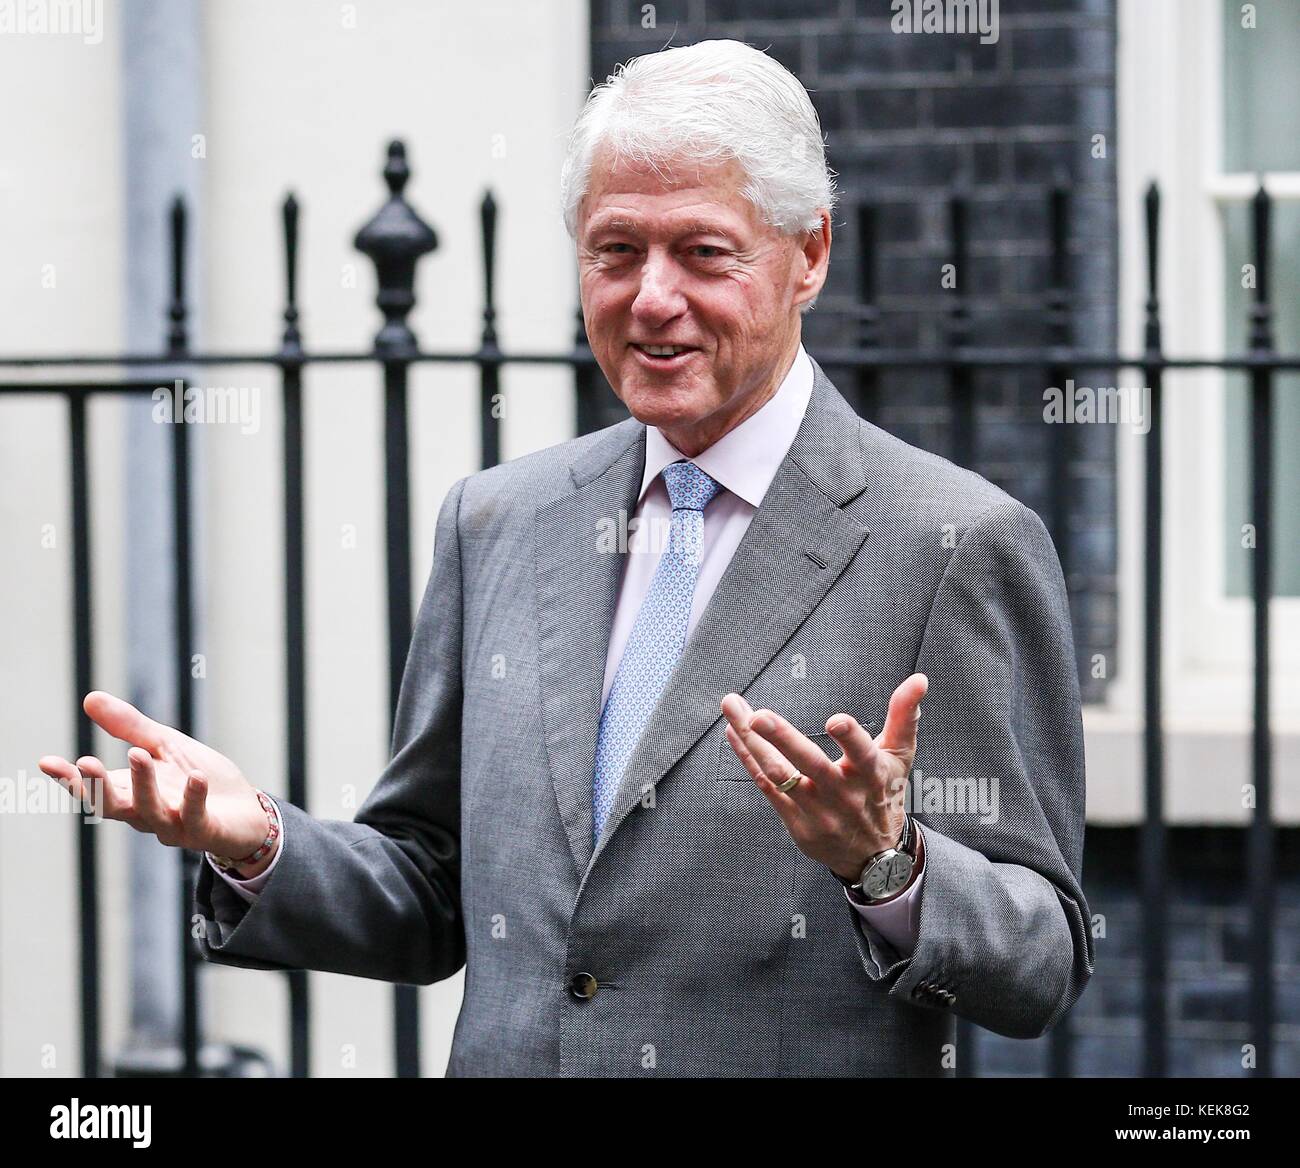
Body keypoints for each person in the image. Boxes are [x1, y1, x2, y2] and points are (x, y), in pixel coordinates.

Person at [39, 39, 1093, 1077]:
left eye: (703, 252)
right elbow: (432, 894)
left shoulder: (953, 542)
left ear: (808, 253)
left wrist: (886, 863)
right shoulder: (498, 520)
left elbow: (1040, 961)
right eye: (616, 250)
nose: (650, 297)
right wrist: (260, 838)